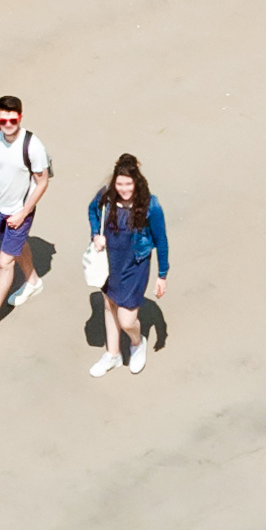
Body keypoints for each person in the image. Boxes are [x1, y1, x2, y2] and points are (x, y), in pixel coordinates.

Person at [0, 94, 52, 340]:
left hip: (19, 211)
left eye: (12, 120)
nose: (8, 125)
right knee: (17, 245)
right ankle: (34, 282)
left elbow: (42, 182)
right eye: (3, 120)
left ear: (20, 118)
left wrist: (23, 213)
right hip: (0, 206)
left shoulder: (33, 146)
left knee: (5, 262)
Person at [83, 150, 170, 376]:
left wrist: (162, 275)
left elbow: (161, 241)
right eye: (120, 184)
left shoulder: (151, 205)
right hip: (110, 261)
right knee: (109, 305)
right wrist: (95, 235)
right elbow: (92, 211)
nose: (123, 189)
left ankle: (136, 342)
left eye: (128, 184)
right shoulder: (106, 197)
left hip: (134, 266)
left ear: (136, 182)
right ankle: (112, 354)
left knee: (127, 319)